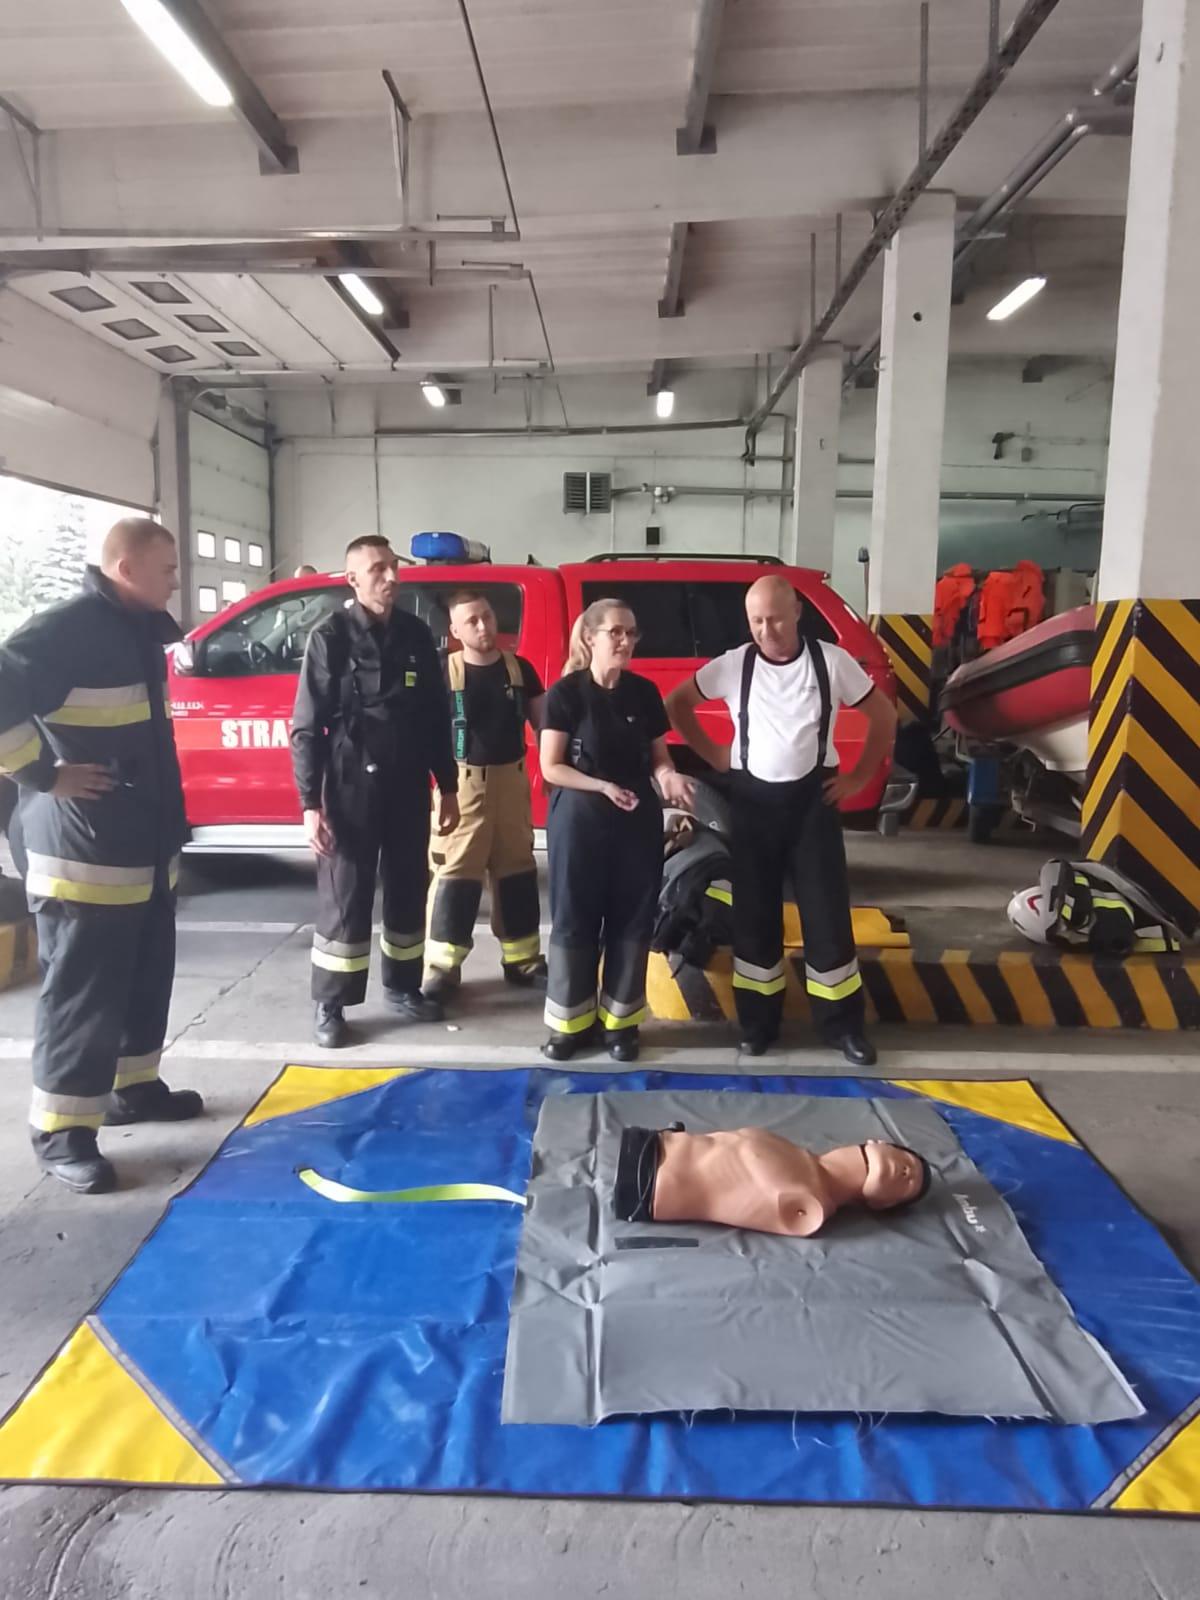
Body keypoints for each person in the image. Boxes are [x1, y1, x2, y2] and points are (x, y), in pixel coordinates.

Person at [0, 518, 201, 1195]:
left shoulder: (135, 630)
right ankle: (62, 1134)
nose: (176, 580)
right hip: (84, 853)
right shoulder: (70, 629)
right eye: (167, 568)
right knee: (82, 994)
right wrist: (43, 775)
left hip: (142, 846)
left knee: (143, 977)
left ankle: (132, 1089)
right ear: (125, 568)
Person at [667, 575, 897, 1064]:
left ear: (796, 613)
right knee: (754, 918)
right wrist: (714, 754)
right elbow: (678, 704)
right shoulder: (734, 665)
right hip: (752, 806)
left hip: (814, 805)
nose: (766, 630)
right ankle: (757, 1026)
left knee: (826, 916)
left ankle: (842, 1028)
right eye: (756, 620)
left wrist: (858, 777)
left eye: (774, 619)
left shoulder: (832, 662)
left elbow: (883, 716)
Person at [291, 535, 459, 1048]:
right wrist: (310, 805)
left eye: (393, 567)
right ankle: (332, 1003)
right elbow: (306, 727)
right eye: (377, 569)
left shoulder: (414, 634)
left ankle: (403, 986)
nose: (390, 577)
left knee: (408, 886)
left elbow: (436, 716)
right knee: (346, 894)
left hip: (407, 781)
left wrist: (448, 786)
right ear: (353, 580)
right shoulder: (330, 637)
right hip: (349, 785)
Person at [539, 598, 694, 1063]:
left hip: (635, 821)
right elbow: (551, 767)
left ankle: (621, 1025)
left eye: (631, 633)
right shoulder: (566, 694)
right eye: (616, 632)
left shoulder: (644, 693)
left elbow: (659, 757)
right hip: (579, 819)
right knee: (575, 917)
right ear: (590, 637)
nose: (626, 640)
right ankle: (569, 1026)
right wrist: (602, 786)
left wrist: (668, 776)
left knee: (632, 918)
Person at [424, 591, 547, 998]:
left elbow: (545, 725)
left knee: (517, 872)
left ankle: (523, 960)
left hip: (512, 786)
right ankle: (442, 969)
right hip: (461, 788)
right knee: (456, 876)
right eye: (472, 621)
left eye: (487, 616)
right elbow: (423, 733)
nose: (483, 626)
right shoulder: (442, 672)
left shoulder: (520, 670)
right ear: (455, 631)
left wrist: (553, 768)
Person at [614, 1123, 931, 1237]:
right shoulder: (800, 1158)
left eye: (907, 1184)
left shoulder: (811, 1207)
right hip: (652, 1144)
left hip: (649, 1185)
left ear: (881, 1203)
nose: (908, 1173)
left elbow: (784, 1204)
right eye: (908, 1163)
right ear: (878, 1142)